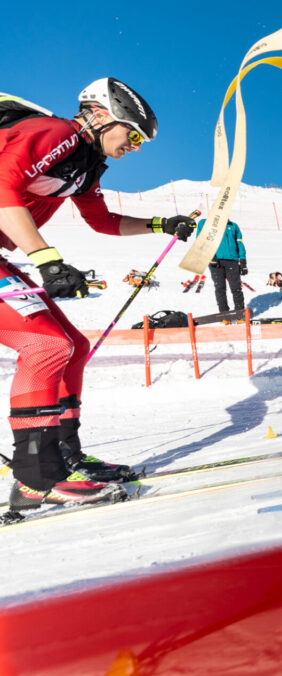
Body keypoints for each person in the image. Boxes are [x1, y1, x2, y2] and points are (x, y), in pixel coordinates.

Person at [0, 80, 197, 510]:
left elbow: (102, 221)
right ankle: (36, 478)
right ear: (106, 116)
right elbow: (2, 188)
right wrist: (47, 259)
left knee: (73, 346)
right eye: (136, 134)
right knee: (46, 345)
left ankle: (65, 458)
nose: (138, 146)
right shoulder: (56, 134)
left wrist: (162, 224)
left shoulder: (84, 164)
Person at [195, 217, 247, 313]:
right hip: (215, 261)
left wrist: (243, 261)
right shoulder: (205, 223)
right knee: (220, 288)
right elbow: (200, 240)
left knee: (236, 288)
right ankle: (224, 313)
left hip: (232, 260)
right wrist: (210, 256)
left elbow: (240, 243)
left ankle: (240, 311)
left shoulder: (233, 226)